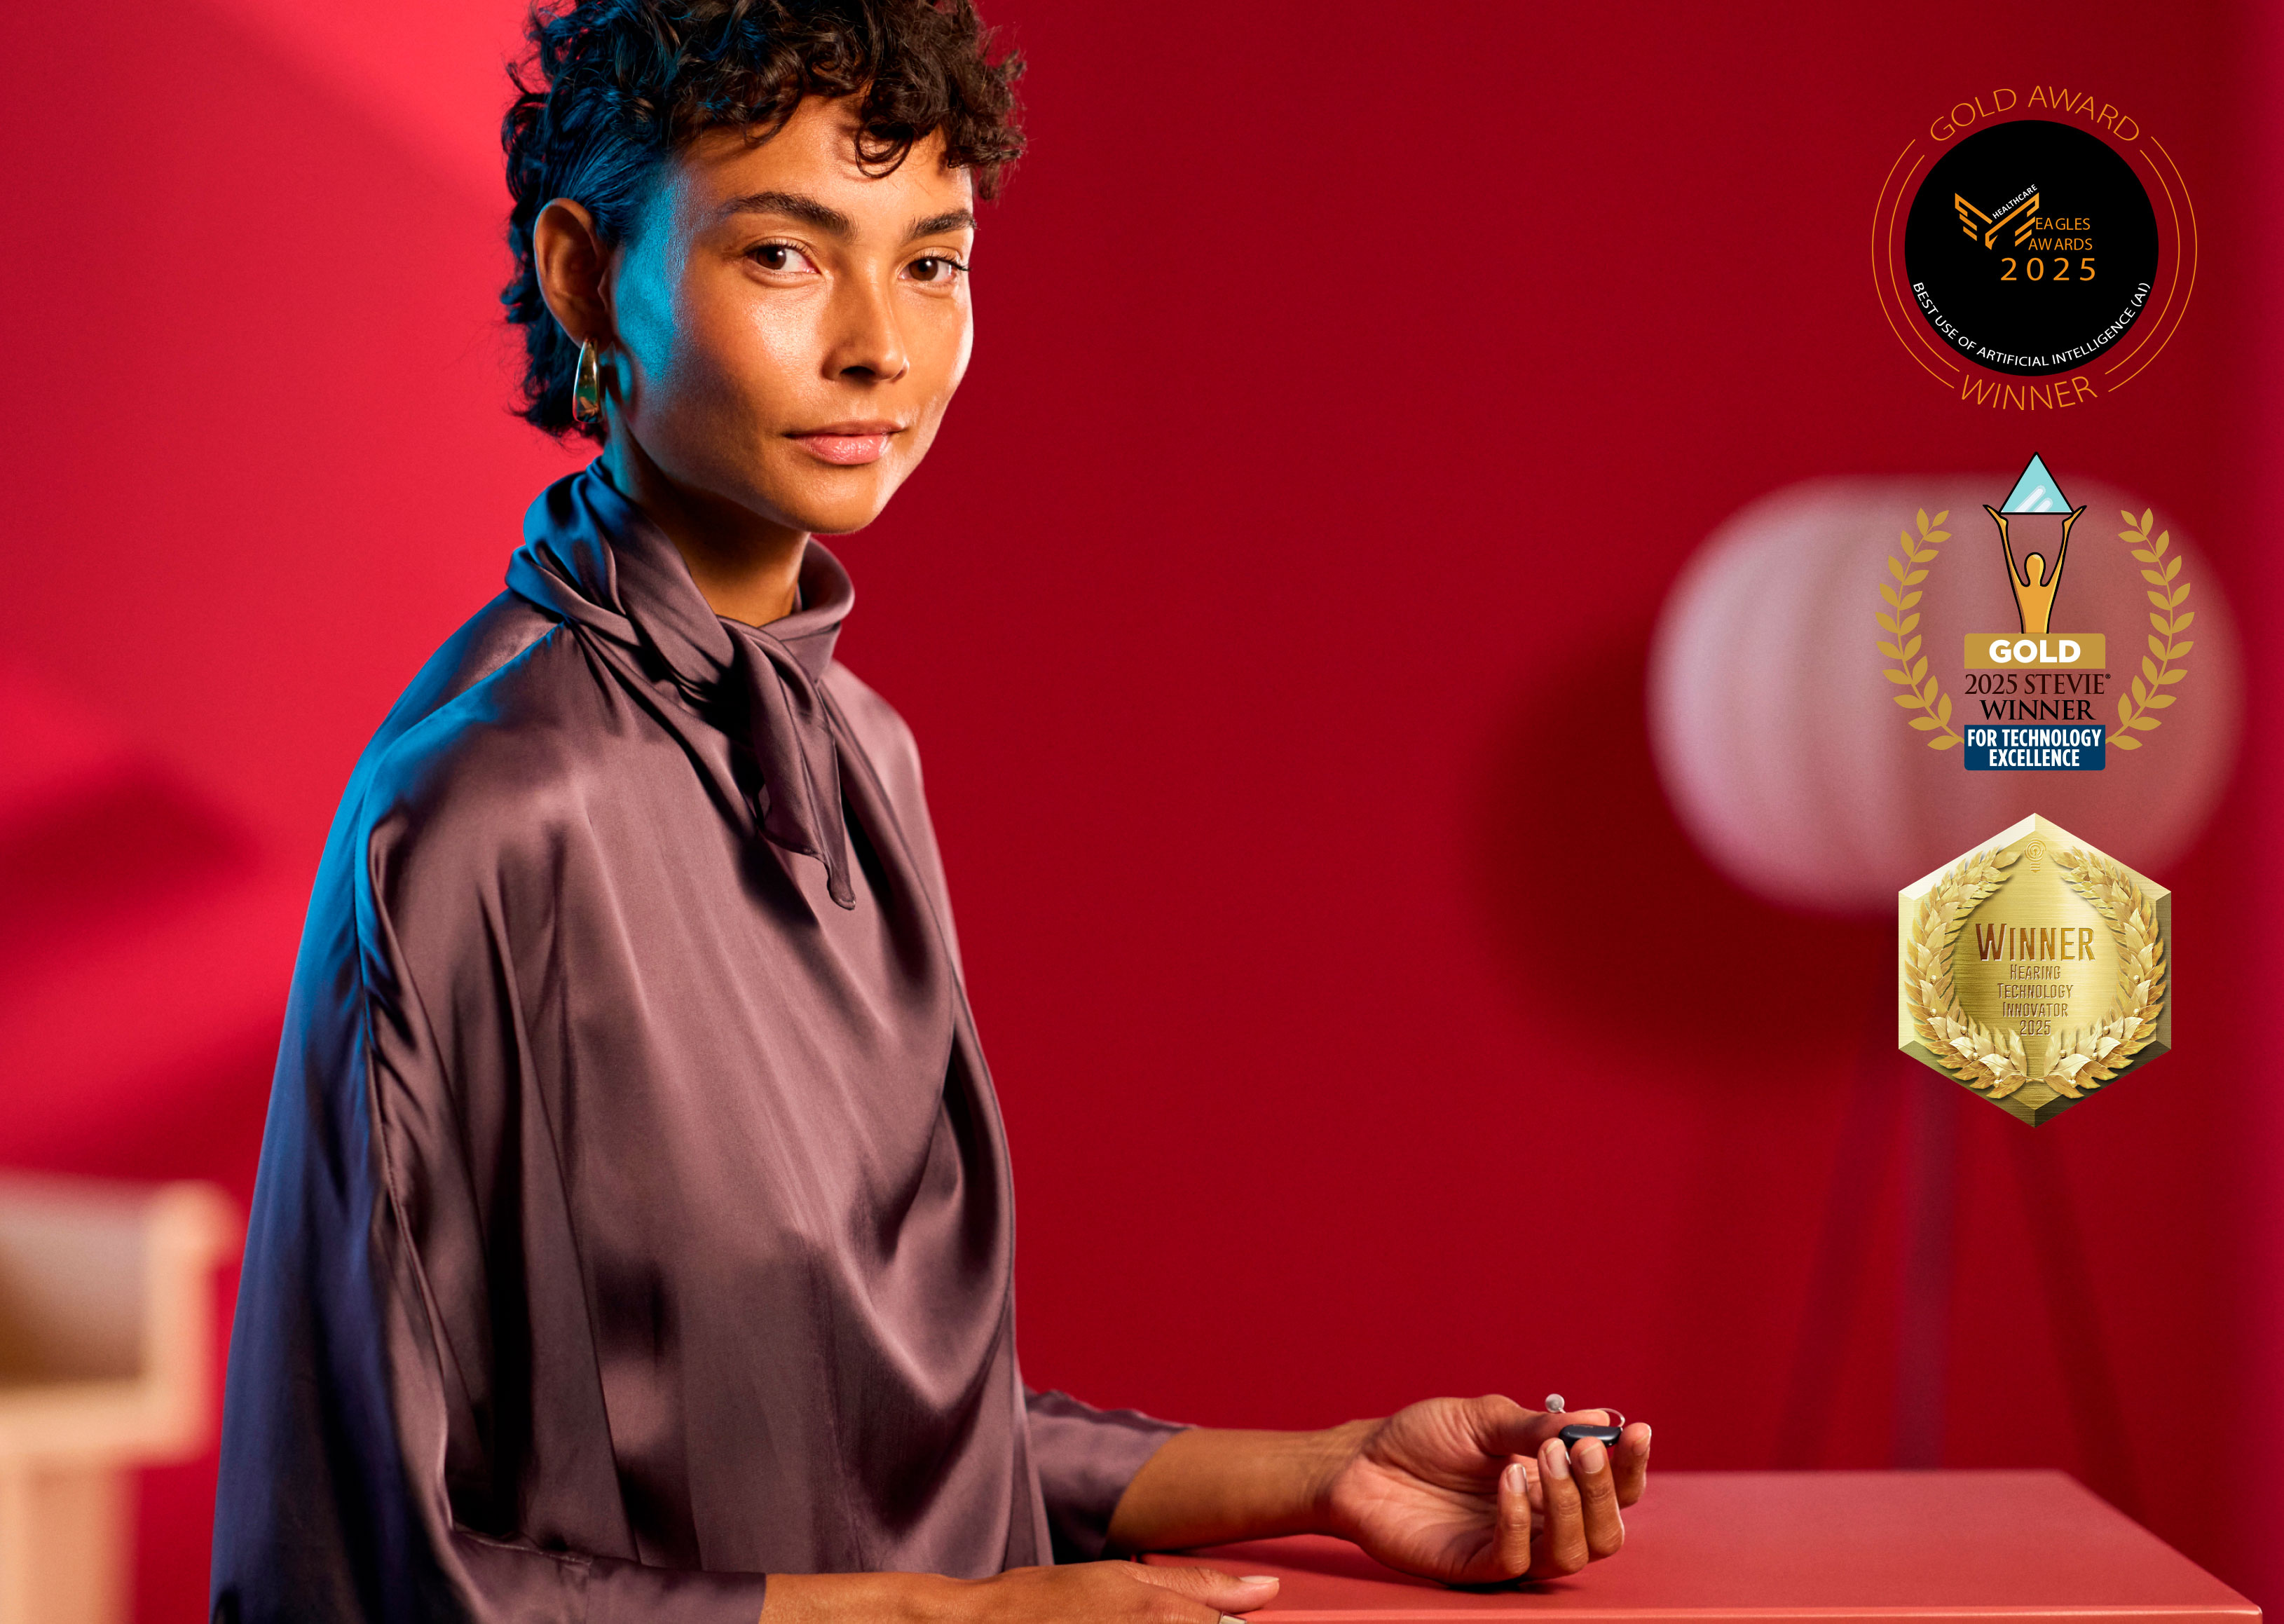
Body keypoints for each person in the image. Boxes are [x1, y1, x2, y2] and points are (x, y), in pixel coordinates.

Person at [210, 2, 1651, 1619]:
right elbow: (358, 1576)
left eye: (932, 261)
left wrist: (1327, 1469)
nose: (879, 348)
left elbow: (865, 1436)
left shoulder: (857, 752)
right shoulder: (488, 811)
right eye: (783, 255)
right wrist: (957, 1618)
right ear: (583, 274)